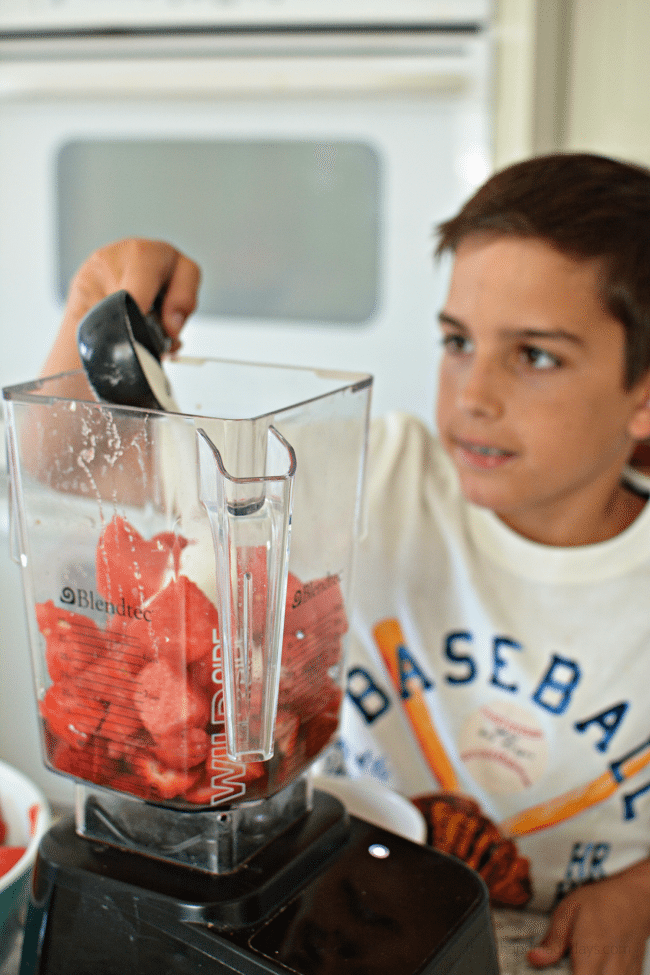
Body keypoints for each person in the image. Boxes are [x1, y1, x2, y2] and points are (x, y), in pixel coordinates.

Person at [46, 154, 650, 975]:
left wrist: (641, 890)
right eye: (458, 341)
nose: (473, 393)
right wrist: (91, 316)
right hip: (345, 911)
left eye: (535, 355)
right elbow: (66, 467)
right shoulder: (383, 469)